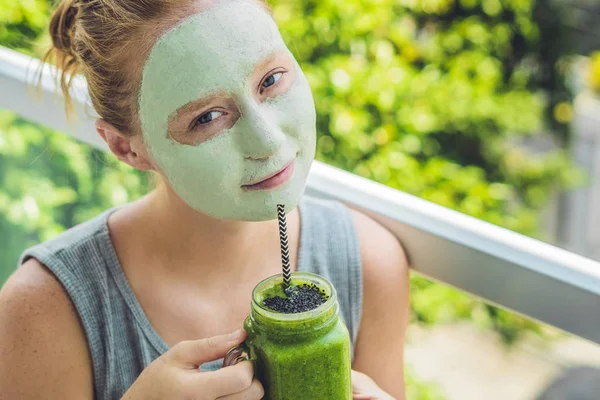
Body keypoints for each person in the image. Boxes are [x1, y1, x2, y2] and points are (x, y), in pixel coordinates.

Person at [0, 0, 410, 399]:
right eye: (207, 118)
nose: (268, 142)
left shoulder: (369, 263)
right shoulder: (43, 310)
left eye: (270, 80)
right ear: (127, 148)